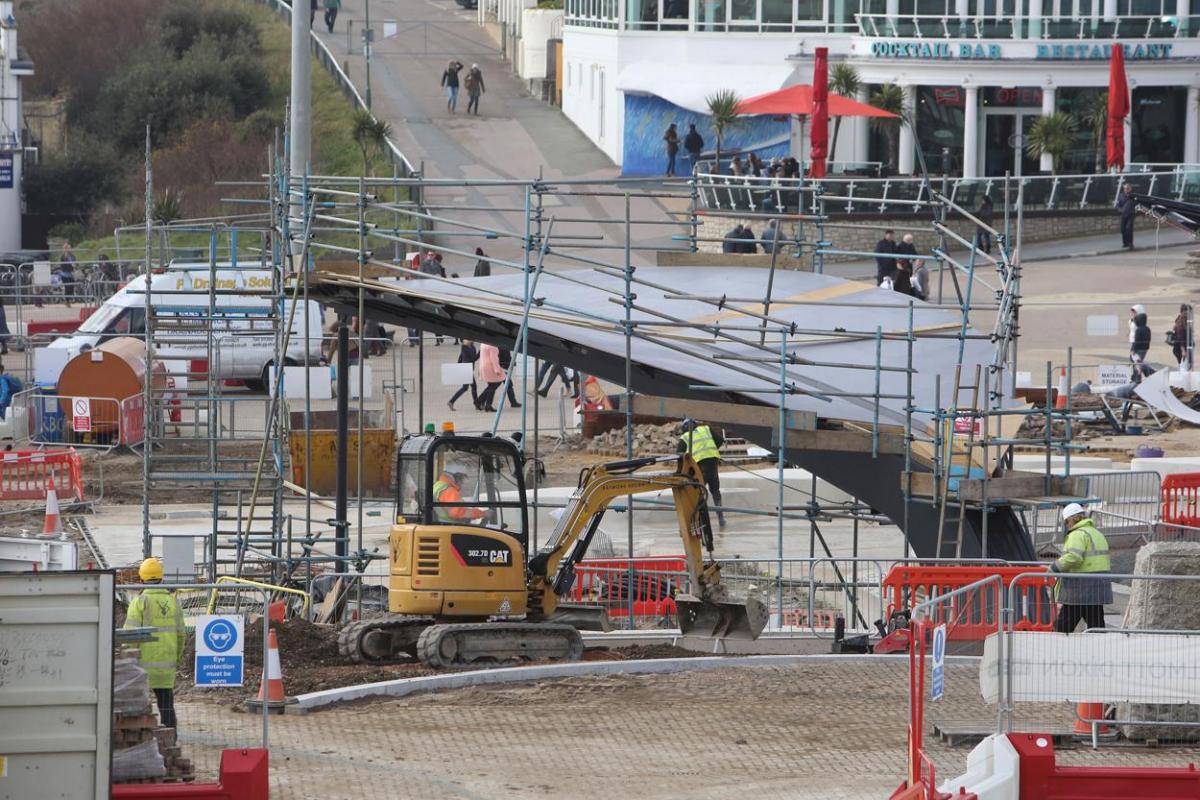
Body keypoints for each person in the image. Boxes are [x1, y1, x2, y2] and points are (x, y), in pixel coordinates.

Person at [124, 558, 186, 728]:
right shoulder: (173, 602)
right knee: (167, 708)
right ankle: (170, 739)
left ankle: (145, 738)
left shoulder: (139, 602)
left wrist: (128, 662)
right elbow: (181, 635)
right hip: (166, 667)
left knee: (140, 708)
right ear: (161, 577)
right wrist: (177, 658)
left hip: (141, 668)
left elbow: (130, 636)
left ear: (142, 578)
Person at [1051, 503, 1112, 633]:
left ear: (1072, 519)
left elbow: (1074, 557)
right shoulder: (1096, 533)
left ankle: (1056, 648)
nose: (1066, 525)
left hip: (1079, 588)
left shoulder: (1077, 534)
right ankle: (1100, 649)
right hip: (1098, 587)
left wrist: (1053, 568)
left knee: (1064, 626)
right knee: (1096, 626)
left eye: (1066, 522)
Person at [677, 418, 726, 528]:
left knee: (698, 493)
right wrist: (711, 450)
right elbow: (720, 440)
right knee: (715, 490)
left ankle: (700, 521)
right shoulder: (706, 429)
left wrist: (680, 473)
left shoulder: (685, 437)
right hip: (712, 462)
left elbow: (680, 457)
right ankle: (721, 518)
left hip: (700, 466)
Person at [448, 340, 479, 411]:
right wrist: (480, 353)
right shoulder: (465, 347)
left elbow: (460, 357)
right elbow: (473, 359)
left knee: (465, 388)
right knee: (473, 387)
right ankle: (477, 404)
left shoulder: (472, 347)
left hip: (468, 369)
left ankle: (451, 401)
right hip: (466, 370)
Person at [475, 343, 506, 412]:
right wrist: (497, 370)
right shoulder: (492, 346)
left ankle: (481, 402)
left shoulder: (483, 344)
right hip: (490, 367)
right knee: (494, 385)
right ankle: (486, 404)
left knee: (491, 386)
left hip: (484, 366)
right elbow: (494, 359)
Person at [1130, 306, 1151, 373]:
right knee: (1138, 362)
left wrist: (1133, 349)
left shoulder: (1138, 330)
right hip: (1144, 348)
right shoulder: (1147, 328)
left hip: (1138, 348)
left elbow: (1137, 341)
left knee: (1136, 363)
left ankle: (1148, 372)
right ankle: (1145, 373)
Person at [1117, 183, 1136, 249]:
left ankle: (1130, 244)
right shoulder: (1121, 196)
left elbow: (1136, 205)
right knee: (1123, 229)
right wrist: (1120, 210)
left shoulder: (1133, 196)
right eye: (1125, 188)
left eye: (1127, 188)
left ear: (1130, 189)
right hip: (1123, 214)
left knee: (1129, 229)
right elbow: (1118, 205)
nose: (1126, 190)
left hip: (1131, 214)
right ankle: (1125, 243)